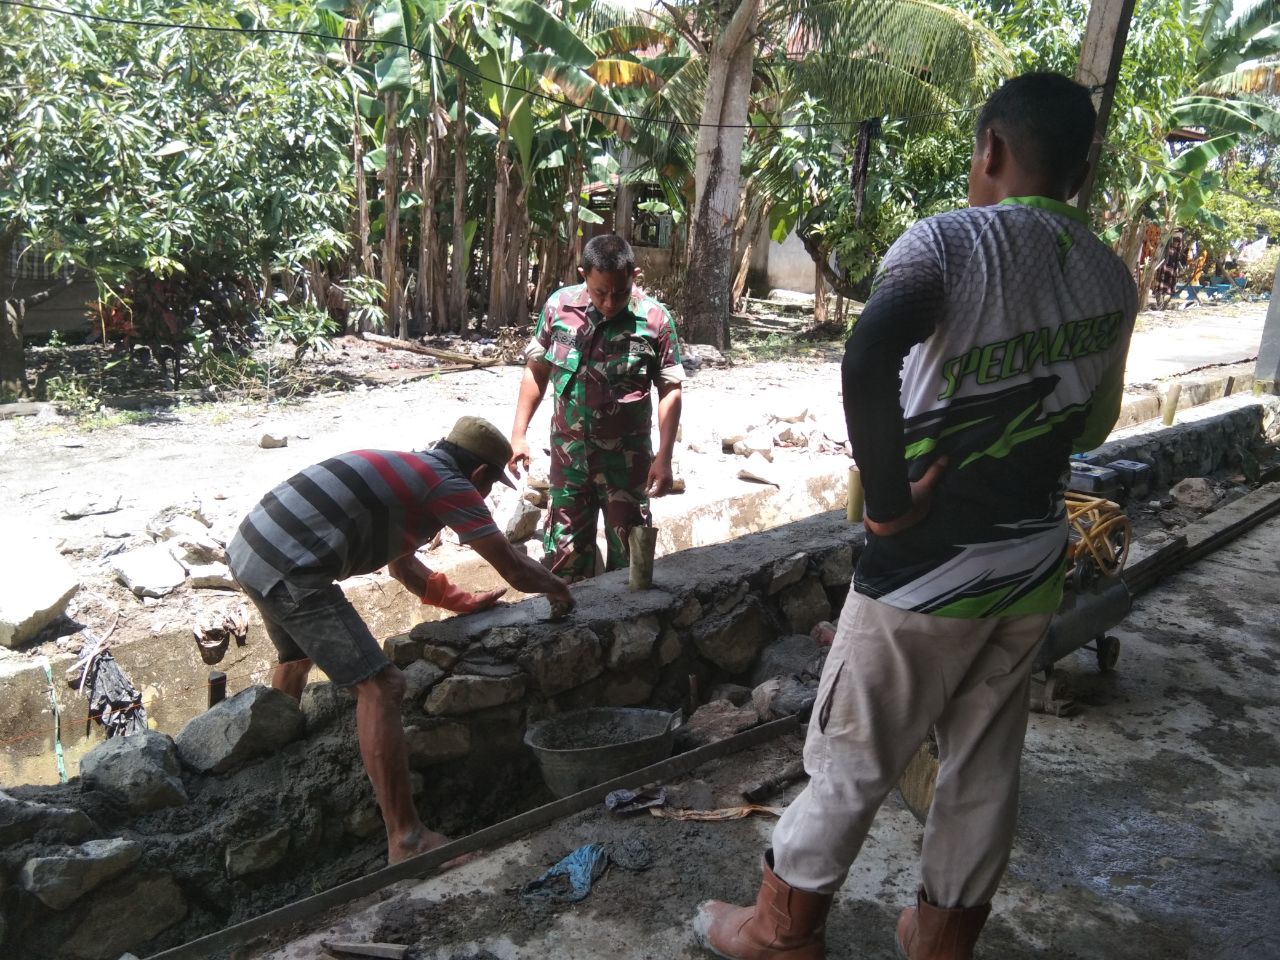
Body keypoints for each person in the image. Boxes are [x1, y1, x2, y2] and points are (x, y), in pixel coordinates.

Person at [692, 72, 1137, 960]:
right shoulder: (1111, 276)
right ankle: (941, 940)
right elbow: (1093, 426)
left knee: (851, 752)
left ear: (992, 150)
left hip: (925, 570)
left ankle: (782, 930)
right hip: (1031, 565)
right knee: (983, 763)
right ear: (1081, 174)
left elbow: (867, 357)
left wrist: (890, 505)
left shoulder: (950, 241)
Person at [226, 416, 575, 866]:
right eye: (489, 485)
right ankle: (407, 840)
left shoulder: (409, 473)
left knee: (296, 654)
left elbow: (403, 565)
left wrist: (461, 601)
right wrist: (560, 589)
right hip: (290, 566)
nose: (485, 494)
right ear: (479, 475)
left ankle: (279, 747)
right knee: (381, 686)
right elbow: (514, 568)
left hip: (250, 548)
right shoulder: (449, 485)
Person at [509, 233, 686, 581]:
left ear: (635, 275)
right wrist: (518, 435)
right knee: (564, 563)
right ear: (583, 275)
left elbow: (670, 389)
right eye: (600, 292)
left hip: (627, 466)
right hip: (569, 462)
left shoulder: (655, 319)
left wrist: (664, 457)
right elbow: (537, 371)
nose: (608, 302)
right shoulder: (559, 308)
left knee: (632, 564)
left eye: (620, 292)